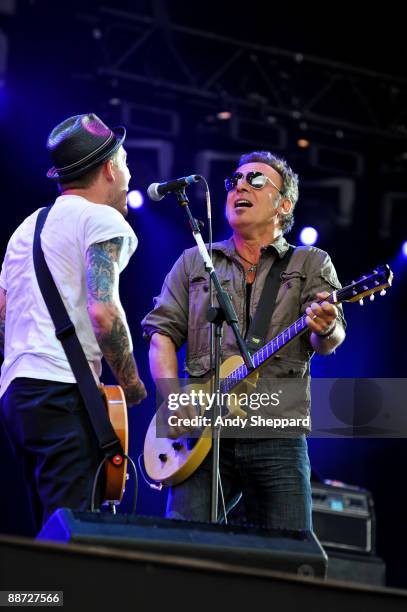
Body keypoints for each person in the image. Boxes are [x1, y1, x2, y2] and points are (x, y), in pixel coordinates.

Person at [141, 150, 345, 529]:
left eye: (254, 180)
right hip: (202, 435)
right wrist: (174, 398)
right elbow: (161, 334)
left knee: (289, 556)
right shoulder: (194, 261)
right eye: (234, 181)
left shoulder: (311, 263)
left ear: (284, 205)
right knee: (183, 548)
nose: (239, 187)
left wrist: (326, 326)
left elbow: (329, 341)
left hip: (277, 433)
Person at [0, 113, 147, 530]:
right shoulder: (103, 220)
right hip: (61, 392)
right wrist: (132, 384)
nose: (129, 174)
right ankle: (54, 598)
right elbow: (104, 311)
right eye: (126, 163)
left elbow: (2, 313)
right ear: (108, 168)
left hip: (16, 393)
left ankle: (32, 597)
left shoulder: (26, 228)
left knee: (47, 525)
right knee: (71, 529)